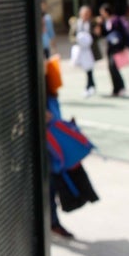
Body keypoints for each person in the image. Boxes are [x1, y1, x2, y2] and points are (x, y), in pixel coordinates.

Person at [44, 55, 74, 238]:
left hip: (55, 149)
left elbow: (55, 117)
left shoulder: (50, 95)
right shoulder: (42, 95)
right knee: (50, 187)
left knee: (53, 186)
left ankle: (53, 221)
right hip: (48, 150)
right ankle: (52, 222)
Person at [99, 3, 129, 96]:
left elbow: (122, 34)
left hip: (117, 47)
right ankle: (115, 89)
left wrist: (122, 46)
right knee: (110, 67)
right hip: (110, 47)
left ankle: (121, 87)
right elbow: (104, 34)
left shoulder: (116, 21)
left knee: (114, 67)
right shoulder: (106, 22)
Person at [71, 5, 102, 96]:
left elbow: (97, 36)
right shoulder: (76, 23)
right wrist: (78, 40)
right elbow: (71, 36)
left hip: (90, 50)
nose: (86, 16)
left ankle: (90, 85)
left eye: (88, 14)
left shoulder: (93, 23)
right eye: (84, 14)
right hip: (81, 49)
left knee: (89, 67)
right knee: (86, 68)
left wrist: (96, 33)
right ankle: (90, 85)